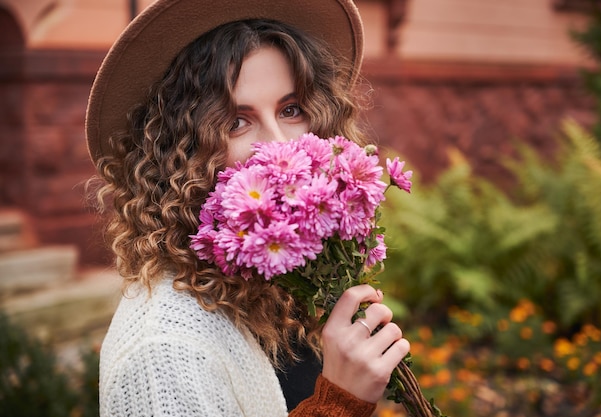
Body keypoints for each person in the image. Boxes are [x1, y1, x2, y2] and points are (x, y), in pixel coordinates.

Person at [85, 0, 410, 415]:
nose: (278, 144)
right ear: (178, 152)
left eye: (291, 110)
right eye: (235, 121)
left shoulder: (275, 283)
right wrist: (339, 404)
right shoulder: (162, 352)